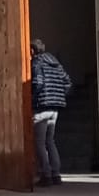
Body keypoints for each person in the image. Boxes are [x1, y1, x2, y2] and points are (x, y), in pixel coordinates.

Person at [30, 38, 73, 186]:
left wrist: (31, 99)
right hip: (55, 108)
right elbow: (67, 82)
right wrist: (58, 96)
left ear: (32, 50)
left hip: (41, 106)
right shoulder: (56, 64)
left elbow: (38, 83)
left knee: (40, 143)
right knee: (50, 141)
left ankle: (45, 175)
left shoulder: (37, 63)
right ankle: (56, 174)